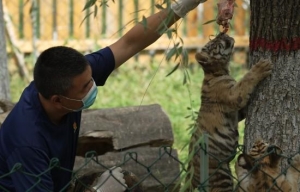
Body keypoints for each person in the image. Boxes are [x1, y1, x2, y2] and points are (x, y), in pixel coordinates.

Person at [0, 0, 207, 191]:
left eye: (92, 79)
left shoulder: (70, 77)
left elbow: (130, 43)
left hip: (58, 184)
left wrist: (183, 6)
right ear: (58, 100)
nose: (92, 87)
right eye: (85, 87)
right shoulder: (27, 142)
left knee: (122, 181)